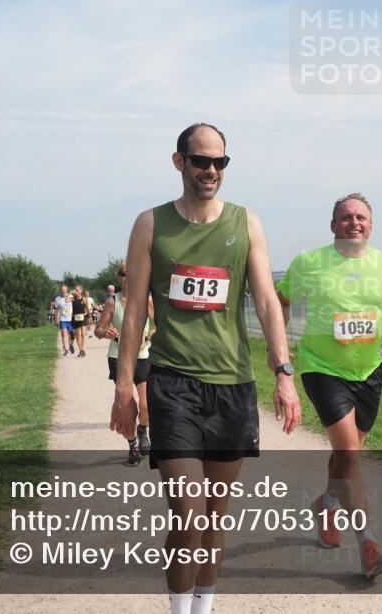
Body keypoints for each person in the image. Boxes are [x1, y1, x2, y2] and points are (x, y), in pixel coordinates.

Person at [111, 122, 301, 614]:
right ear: (180, 163)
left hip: (232, 388)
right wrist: (125, 387)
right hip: (174, 386)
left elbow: (265, 300)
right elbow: (134, 310)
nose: (210, 170)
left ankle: (204, 607)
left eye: (220, 162)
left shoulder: (246, 224)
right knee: (189, 516)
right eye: (201, 161)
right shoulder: (151, 224)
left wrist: (284, 373)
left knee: (216, 518)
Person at [275, 193, 382, 580]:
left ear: (371, 225)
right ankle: (368, 543)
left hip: (369, 371)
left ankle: (326, 503)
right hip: (322, 369)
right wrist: (281, 344)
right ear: (333, 225)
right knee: (351, 455)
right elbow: (280, 300)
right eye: (345, 217)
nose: (353, 222)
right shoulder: (309, 263)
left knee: (346, 457)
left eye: (360, 217)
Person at [95, 263, 154, 466]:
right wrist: (105, 333)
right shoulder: (113, 302)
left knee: (146, 405)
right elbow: (98, 329)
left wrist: (156, 331)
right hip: (118, 357)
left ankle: (143, 431)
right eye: (123, 274)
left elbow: (161, 323)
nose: (127, 277)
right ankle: (133, 447)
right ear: (119, 278)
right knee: (128, 405)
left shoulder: (146, 299)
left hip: (142, 356)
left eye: (132, 272)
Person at [54, 284, 74, 356]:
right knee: (64, 332)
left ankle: (71, 345)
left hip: (71, 319)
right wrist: (56, 320)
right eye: (62, 290)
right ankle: (66, 350)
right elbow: (56, 310)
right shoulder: (57, 299)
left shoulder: (71, 297)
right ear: (60, 291)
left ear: (67, 290)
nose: (63, 291)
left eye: (65, 290)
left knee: (71, 334)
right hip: (63, 319)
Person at [71, 286, 88, 357]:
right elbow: (66, 301)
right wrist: (70, 293)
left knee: (83, 334)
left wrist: (89, 317)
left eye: (77, 290)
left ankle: (83, 349)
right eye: (75, 290)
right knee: (78, 335)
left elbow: (87, 308)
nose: (76, 291)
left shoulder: (84, 299)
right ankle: (81, 350)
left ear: (81, 291)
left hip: (83, 318)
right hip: (75, 318)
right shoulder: (72, 299)